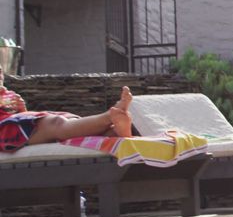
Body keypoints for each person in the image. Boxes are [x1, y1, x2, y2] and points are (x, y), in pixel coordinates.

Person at [0, 64, 133, 152]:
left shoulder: (6, 93)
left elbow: (18, 117)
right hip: (4, 130)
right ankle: (110, 117)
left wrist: (22, 109)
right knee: (56, 122)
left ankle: (115, 131)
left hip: (13, 124)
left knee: (68, 120)